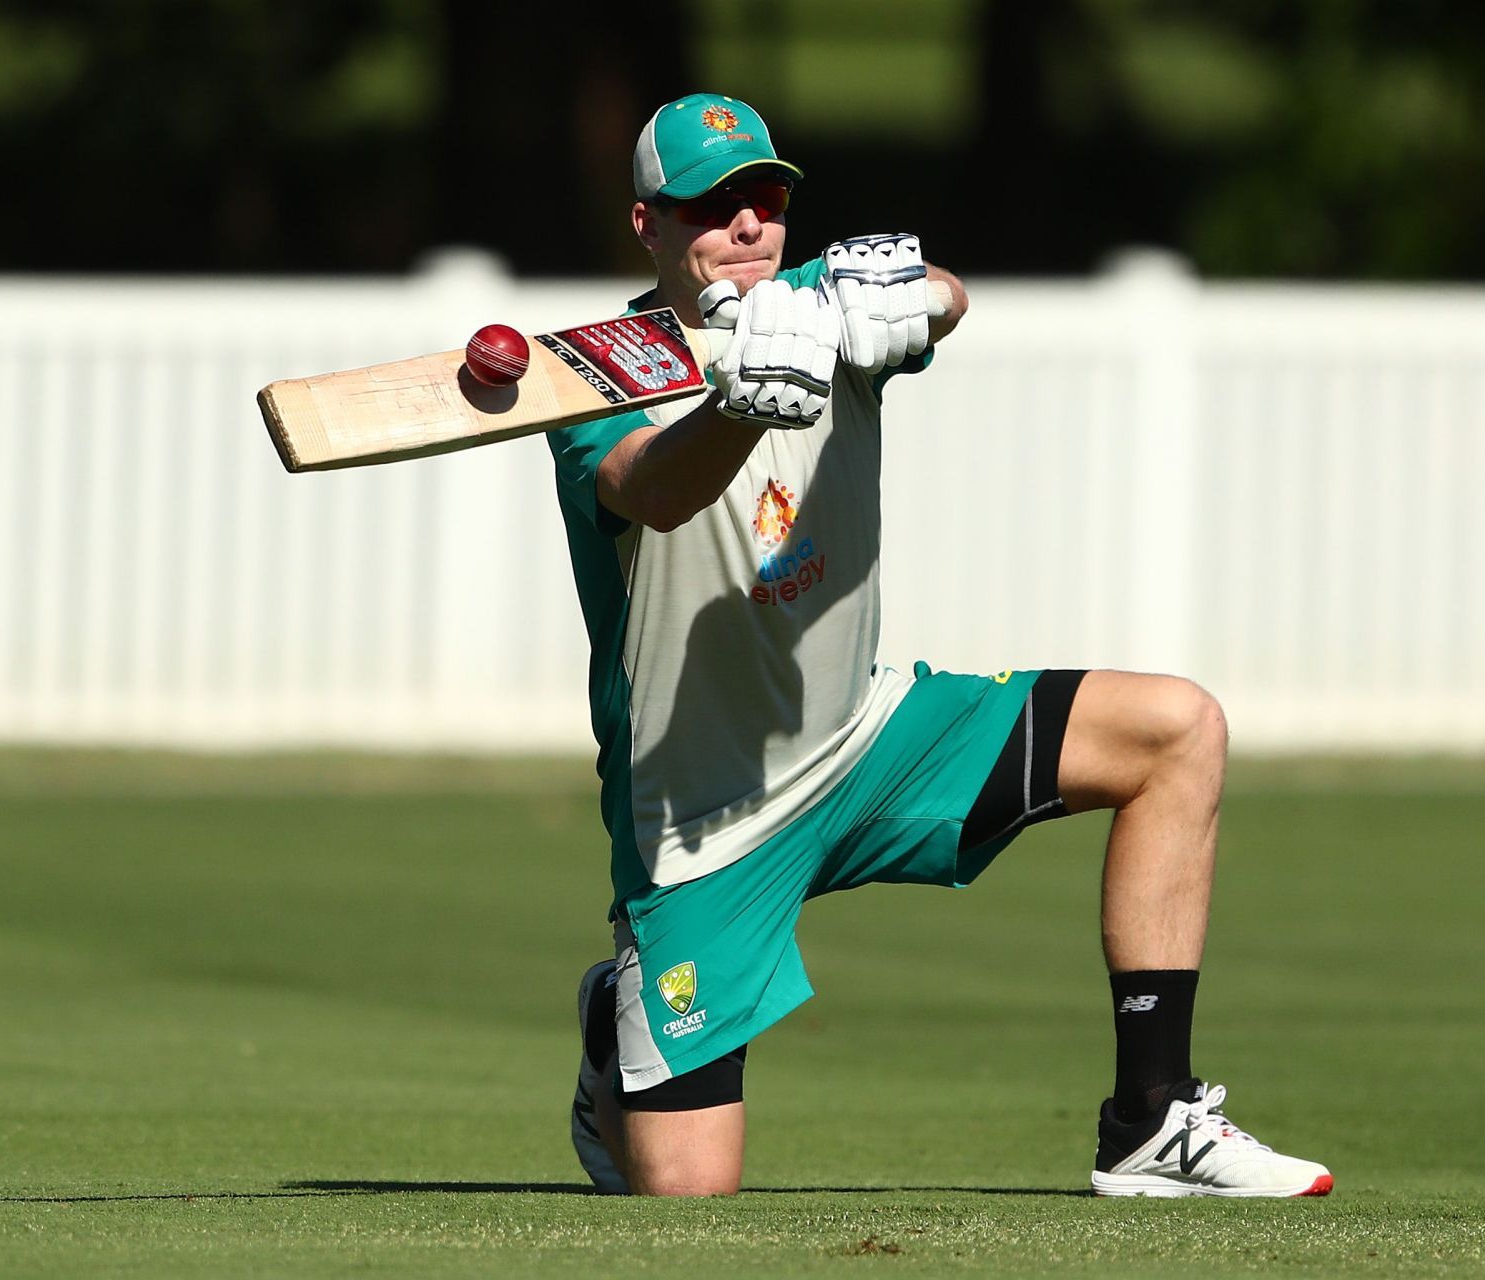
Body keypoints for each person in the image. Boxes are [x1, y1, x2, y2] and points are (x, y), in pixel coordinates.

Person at [549, 92, 1331, 1199]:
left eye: (763, 199)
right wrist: (738, 405)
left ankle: (1153, 1122)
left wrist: (920, 301)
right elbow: (649, 491)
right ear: (648, 226)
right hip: (701, 828)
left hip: (868, 741)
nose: (745, 226)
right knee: (685, 1196)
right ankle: (609, 1034)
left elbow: (942, 295)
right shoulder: (592, 366)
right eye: (710, 206)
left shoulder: (815, 301)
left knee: (1176, 729)